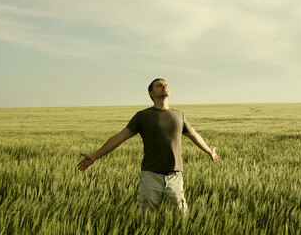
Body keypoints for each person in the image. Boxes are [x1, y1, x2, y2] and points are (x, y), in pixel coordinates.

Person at [77, 78, 219, 216]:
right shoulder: (143, 116)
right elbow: (119, 137)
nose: (164, 86)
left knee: (181, 216)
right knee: (145, 218)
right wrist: (95, 155)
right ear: (151, 93)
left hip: (175, 176)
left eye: (165, 84)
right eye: (159, 85)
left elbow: (194, 135)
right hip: (151, 175)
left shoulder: (179, 115)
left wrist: (209, 151)